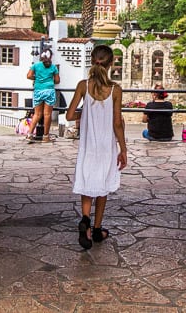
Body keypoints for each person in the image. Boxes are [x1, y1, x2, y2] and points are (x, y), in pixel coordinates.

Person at [65, 44, 127, 249]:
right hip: (105, 145)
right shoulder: (115, 90)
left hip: (88, 146)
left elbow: (69, 115)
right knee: (103, 187)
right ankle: (98, 228)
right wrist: (123, 149)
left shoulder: (83, 86)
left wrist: (86, 115)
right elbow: (117, 123)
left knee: (88, 183)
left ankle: (85, 221)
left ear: (92, 61)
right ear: (111, 64)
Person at [27, 49, 60, 142]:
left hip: (38, 90)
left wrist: (37, 78)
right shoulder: (53, 67)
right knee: (47, 114)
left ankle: (29, 134)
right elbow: (57, 80)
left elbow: (29, 76)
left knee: (37, 114)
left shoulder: (35, 66)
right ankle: (46, 136)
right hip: (49, 91)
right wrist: (49, 80)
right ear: (51, 57)